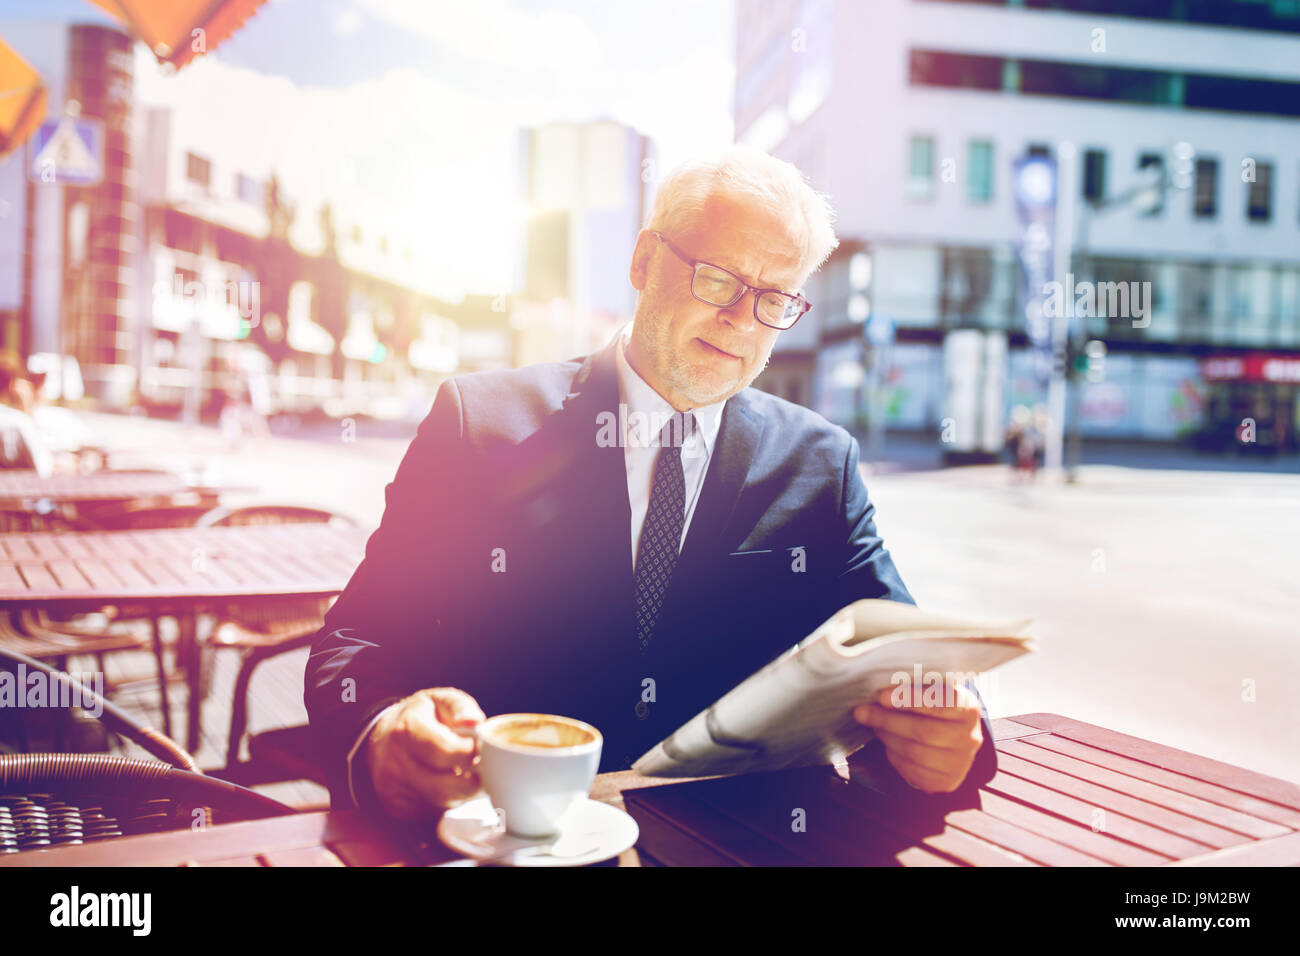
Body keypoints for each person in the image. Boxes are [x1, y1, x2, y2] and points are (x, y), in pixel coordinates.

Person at [306, 146, 999, 821]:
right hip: (516, 838)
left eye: (773, 298)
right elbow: (355, 642)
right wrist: (382, 731)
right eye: (720, 279)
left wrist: (950, 728)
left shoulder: (822, 466)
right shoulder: (478, 424)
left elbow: (906, 661)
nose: (739, 319)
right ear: (644, 261)